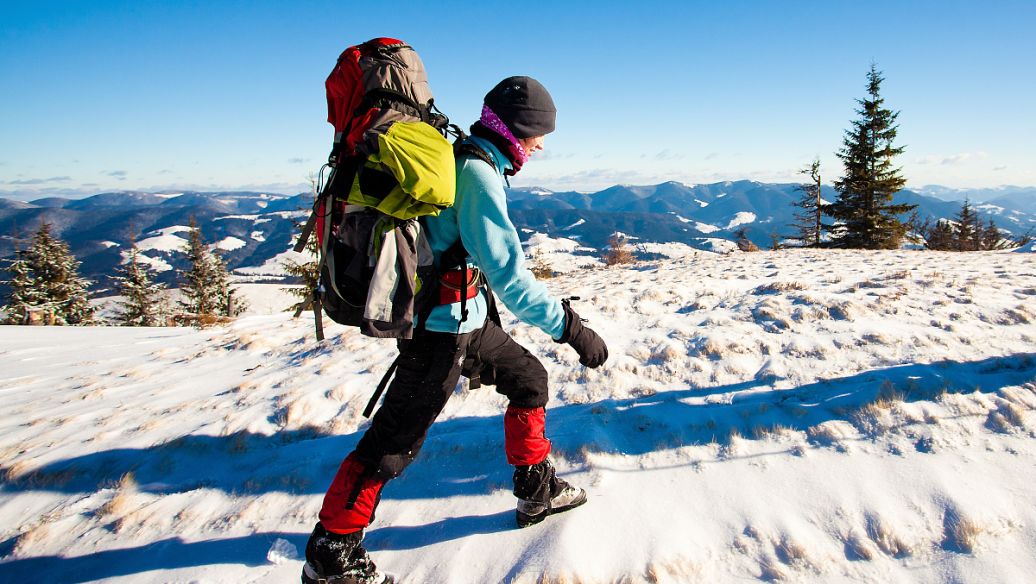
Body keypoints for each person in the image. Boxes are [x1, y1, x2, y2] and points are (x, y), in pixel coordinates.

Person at [302, 76, 609, 584]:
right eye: (538, 134)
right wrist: (572, 330)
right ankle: (333, 549)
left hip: (467, 322)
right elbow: (511, 278)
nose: (541, 146)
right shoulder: (478, 175)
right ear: (517, 130)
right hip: (439, 334)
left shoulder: (473, 159)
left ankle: (536, 490)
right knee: (391, 443)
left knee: (529, 378)